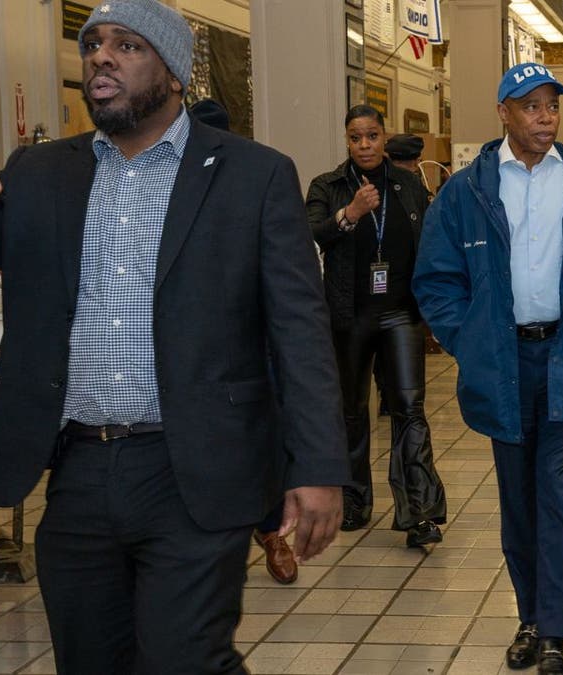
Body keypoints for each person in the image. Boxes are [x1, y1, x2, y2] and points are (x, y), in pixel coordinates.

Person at [0, 1, 348, 671]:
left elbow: (300, 331)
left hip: (195, 469)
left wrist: (317, 467)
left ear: (173, 72)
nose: (101, 57)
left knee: (183, 657)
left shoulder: (252, 175)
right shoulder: (39, 174)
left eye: (126, 45)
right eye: (92, 45)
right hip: (78, 469)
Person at [412, 62, 563, 675]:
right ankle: (529, 617)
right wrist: (470, 340)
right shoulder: (467, 189)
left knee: (559, 493)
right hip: (503, 362)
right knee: (517, 497)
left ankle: (556, 633)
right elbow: (435, 279)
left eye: (551, 106)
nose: (545, 117)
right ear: (504, 112)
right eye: (530, 106)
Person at [307, 105, 446, 546]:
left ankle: (418, 511)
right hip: (349, 315)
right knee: (351, 412)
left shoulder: (408, 185)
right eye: (355, 138)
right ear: (346, 141)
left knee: (410, 410)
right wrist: (351, 212)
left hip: (400, 313)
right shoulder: (328, 186)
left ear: (383, 138)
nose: (364, 145)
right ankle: (355, 500)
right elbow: (313, 233)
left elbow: (428, 244)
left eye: (371, 136)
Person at [191, 97, 300, 584]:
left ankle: (272, 530)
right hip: (189, 360)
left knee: (261, 441)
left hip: (251, 349)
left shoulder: (254, 183)